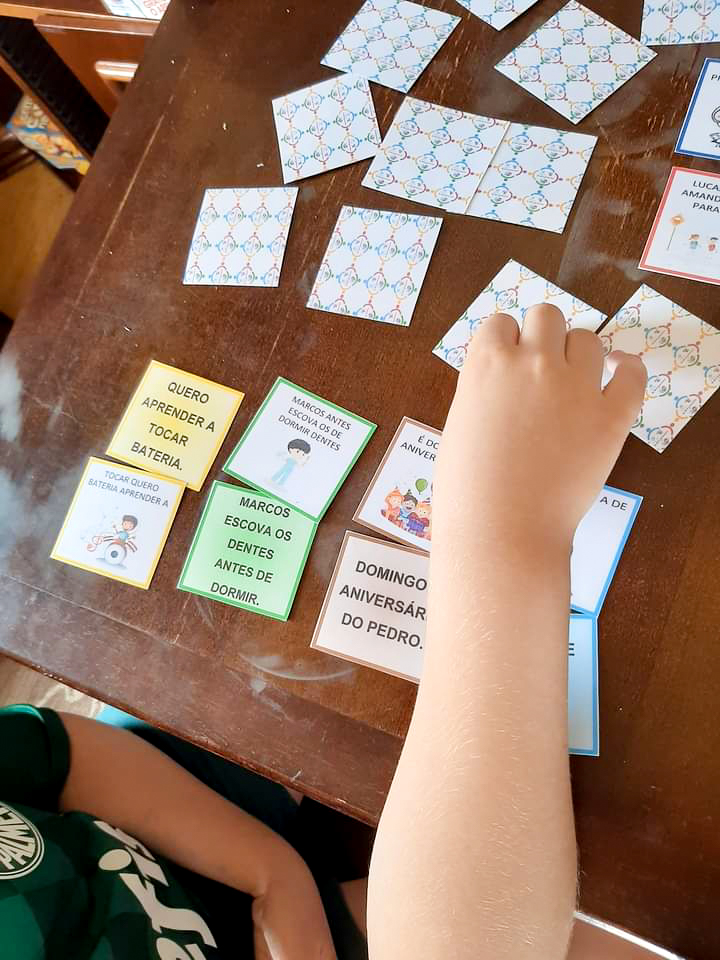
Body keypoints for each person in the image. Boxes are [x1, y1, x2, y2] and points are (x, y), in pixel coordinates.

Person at [0, 304, 646, 960]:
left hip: (182, 811)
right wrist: (509, 532)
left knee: (269, 654)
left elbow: (57, 753)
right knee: (648, 917)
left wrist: (273, 873)